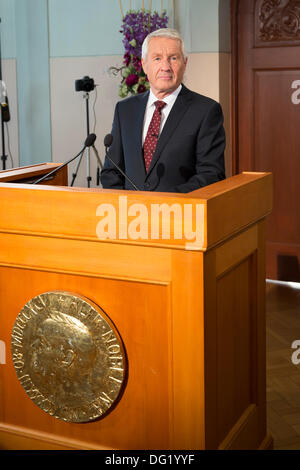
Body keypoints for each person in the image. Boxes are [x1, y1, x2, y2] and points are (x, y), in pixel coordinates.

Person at [101, 28, 225, 193]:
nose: (165, 67)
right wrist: (126, 206)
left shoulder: (206, 111)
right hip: (129, 214)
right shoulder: (125, 110)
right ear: (144, 65)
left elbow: (211, 175)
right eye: (157, 58)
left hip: (179, 214)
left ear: (185, 63)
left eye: (173, 58)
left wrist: (163, 204)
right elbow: (111, 171)